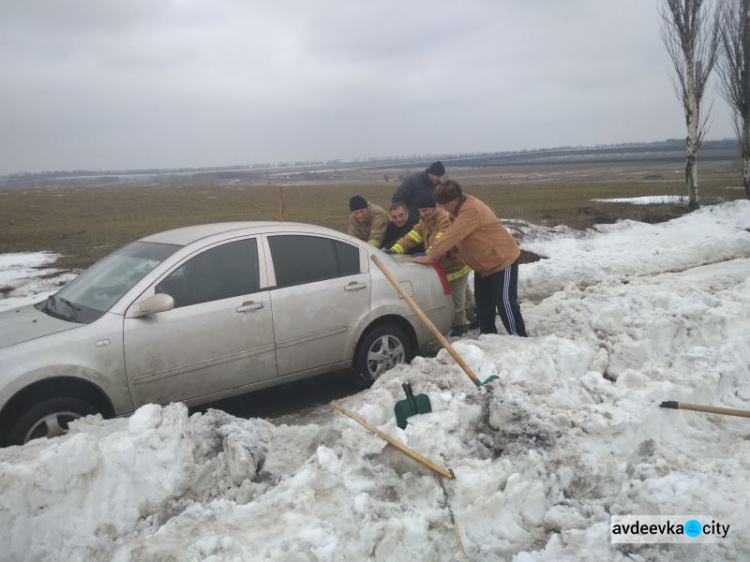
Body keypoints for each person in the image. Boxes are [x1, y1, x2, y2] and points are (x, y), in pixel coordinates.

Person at [407, 180, 527, 337]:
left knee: (504, 302)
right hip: (483, 266)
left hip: (502, 260)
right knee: (484, 306)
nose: (443, 209)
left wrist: (431, 255)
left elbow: (453, 234)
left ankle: (519, 338)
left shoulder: (471, 210)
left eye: (445, 204)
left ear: (455, 200)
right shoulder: (455, 211)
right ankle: (489, 337)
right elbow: (456, 238)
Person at [388, 192, 476, 335]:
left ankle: (460, 325)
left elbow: (441, 241)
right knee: (466, 296)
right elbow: (411, 237)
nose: (422, 214)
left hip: (455, 265)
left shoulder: (444, 219)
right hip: (445, 266)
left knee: (456, 300)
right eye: (420, 211)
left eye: (425, 210)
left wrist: (427, 254)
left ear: (433, 208)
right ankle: (476, 315)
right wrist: (395, 250)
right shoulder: (423, 222)